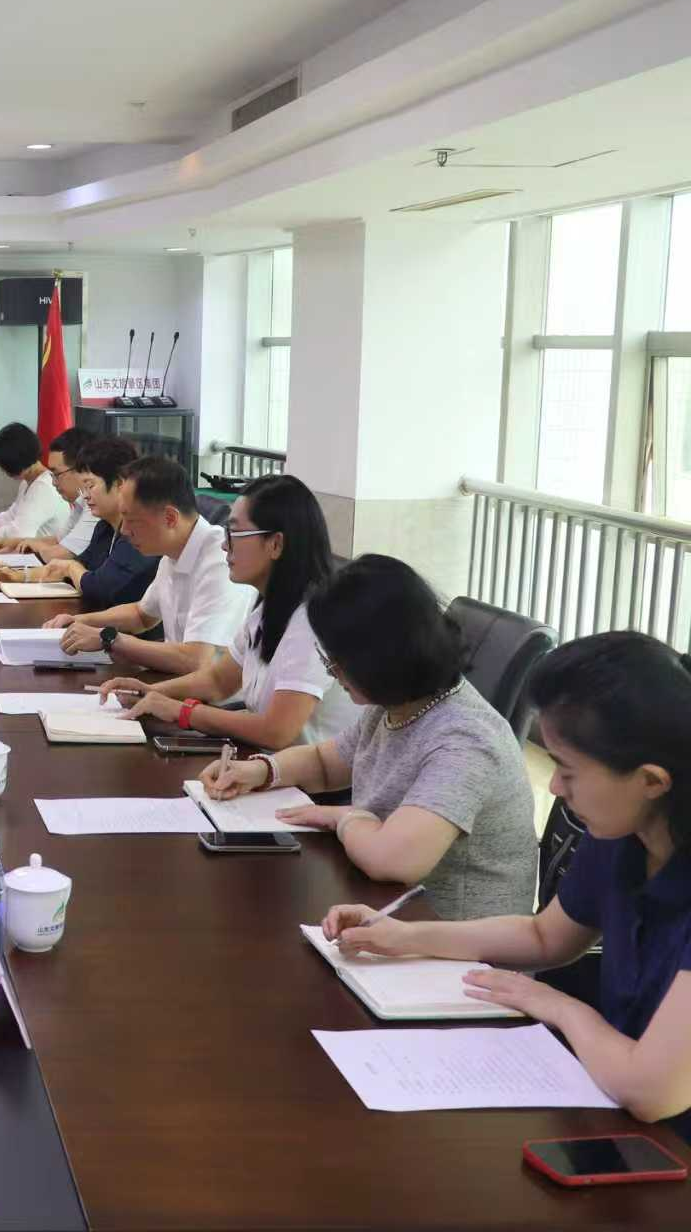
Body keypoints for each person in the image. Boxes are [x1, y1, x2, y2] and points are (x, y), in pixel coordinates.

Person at [321, 632, 691, 1137]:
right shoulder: (626, 833)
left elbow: (652, 1092)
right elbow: (545, 936)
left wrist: (561, 1008)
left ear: (652, 781)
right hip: (613, 1103)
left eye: (567, 771)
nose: (554, 787)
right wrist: (402, 936)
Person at [201, 555, 537, 920]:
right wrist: (261, 771)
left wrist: (345, 818)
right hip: (391, 913)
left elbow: (394, 861)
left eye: (336, 660)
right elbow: (324, 764)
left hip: (455, 939)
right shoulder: (396, 704)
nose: (332, 671)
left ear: (379, 656)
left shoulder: (465, 739)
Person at [99, 474, 358, 749]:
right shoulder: (268, 608)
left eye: (234, 534)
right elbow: (218, 681)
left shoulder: (310, 622)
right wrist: (151, 692)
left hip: (301, 774)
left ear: (275, 544)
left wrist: (184, 712)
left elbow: (276, 732)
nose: (224, 545)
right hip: (265, 762)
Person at [44, 456, 254, 675]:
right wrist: (79, 621)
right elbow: (141, 615)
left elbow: (197, 659)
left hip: (208, 693)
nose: (124, 530)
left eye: (131, 520)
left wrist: (109, 639)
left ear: (170, 518)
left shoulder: (220, 561)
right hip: (176, 683)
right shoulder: (173, 552)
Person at [0, 437, 158, 609]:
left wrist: (71, 568)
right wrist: (19, 576)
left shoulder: (138, 534)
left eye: (90, 486)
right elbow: (76, 567)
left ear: (119, 484)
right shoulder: (104, 527)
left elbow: (100, 587)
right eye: (83, 488)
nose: (85, 496)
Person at [0, 426, 98, 559]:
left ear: (82, 470)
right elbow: (58, 540)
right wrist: (12, 543)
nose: (54, 482)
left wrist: (34, 548)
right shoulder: (81, 503)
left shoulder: (95, 506)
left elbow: (64, 554)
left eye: (57, 474)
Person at [0, 422, 67, 540]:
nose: (2, 470)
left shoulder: (43, 487)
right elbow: (11, 516)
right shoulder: (28, 482)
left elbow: (20, 533)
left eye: (3, 465)